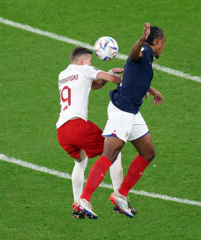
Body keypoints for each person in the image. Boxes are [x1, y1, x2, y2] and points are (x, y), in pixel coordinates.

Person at [77, 23, 165, 219]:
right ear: (157, 42)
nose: (163, 48)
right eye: (163, 44)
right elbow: (133, 55)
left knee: (148, 153)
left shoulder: (148, 58)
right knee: (110, 154)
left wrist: (151, 90)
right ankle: (83, 199)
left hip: (132, 111)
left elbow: (133, 74)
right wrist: (142, 39)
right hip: (122, 110)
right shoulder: (143, 50)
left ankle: (121, 194)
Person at [56, 47, 128, 219]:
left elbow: (94, 85)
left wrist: (107, 71)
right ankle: (120, 199)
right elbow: (113, 79)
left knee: (81, 163)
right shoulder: (85, 68)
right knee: (114, 151)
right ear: (82, 61)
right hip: (78, 126)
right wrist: (128, 81)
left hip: (62, 130)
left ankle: (77, 206)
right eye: (90, 60)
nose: (91, 63)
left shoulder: (62, 74)